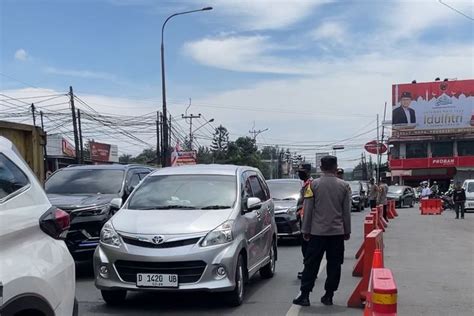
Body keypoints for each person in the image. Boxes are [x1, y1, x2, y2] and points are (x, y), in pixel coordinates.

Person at [293, 155, 351, 307]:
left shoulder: (313, 185)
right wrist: (347, 230)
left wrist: (305, 229)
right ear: (335, 167)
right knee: (334, 265)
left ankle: (305, 296)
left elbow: (309, 209)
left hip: (317, 233)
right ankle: (329, 295)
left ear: (321, 167)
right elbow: (346, 211)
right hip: (337, 233)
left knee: (311, 265)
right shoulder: (344, 186)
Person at [296, 163, 313, 280]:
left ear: (308, 172)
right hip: (303, 219)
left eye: (302, 171)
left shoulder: (310, 185)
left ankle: (309, 270)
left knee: (307, 247)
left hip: (308, 221)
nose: (300, 174)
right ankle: (308, 269)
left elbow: (308, 204)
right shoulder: (305, 185)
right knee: (305, 247)